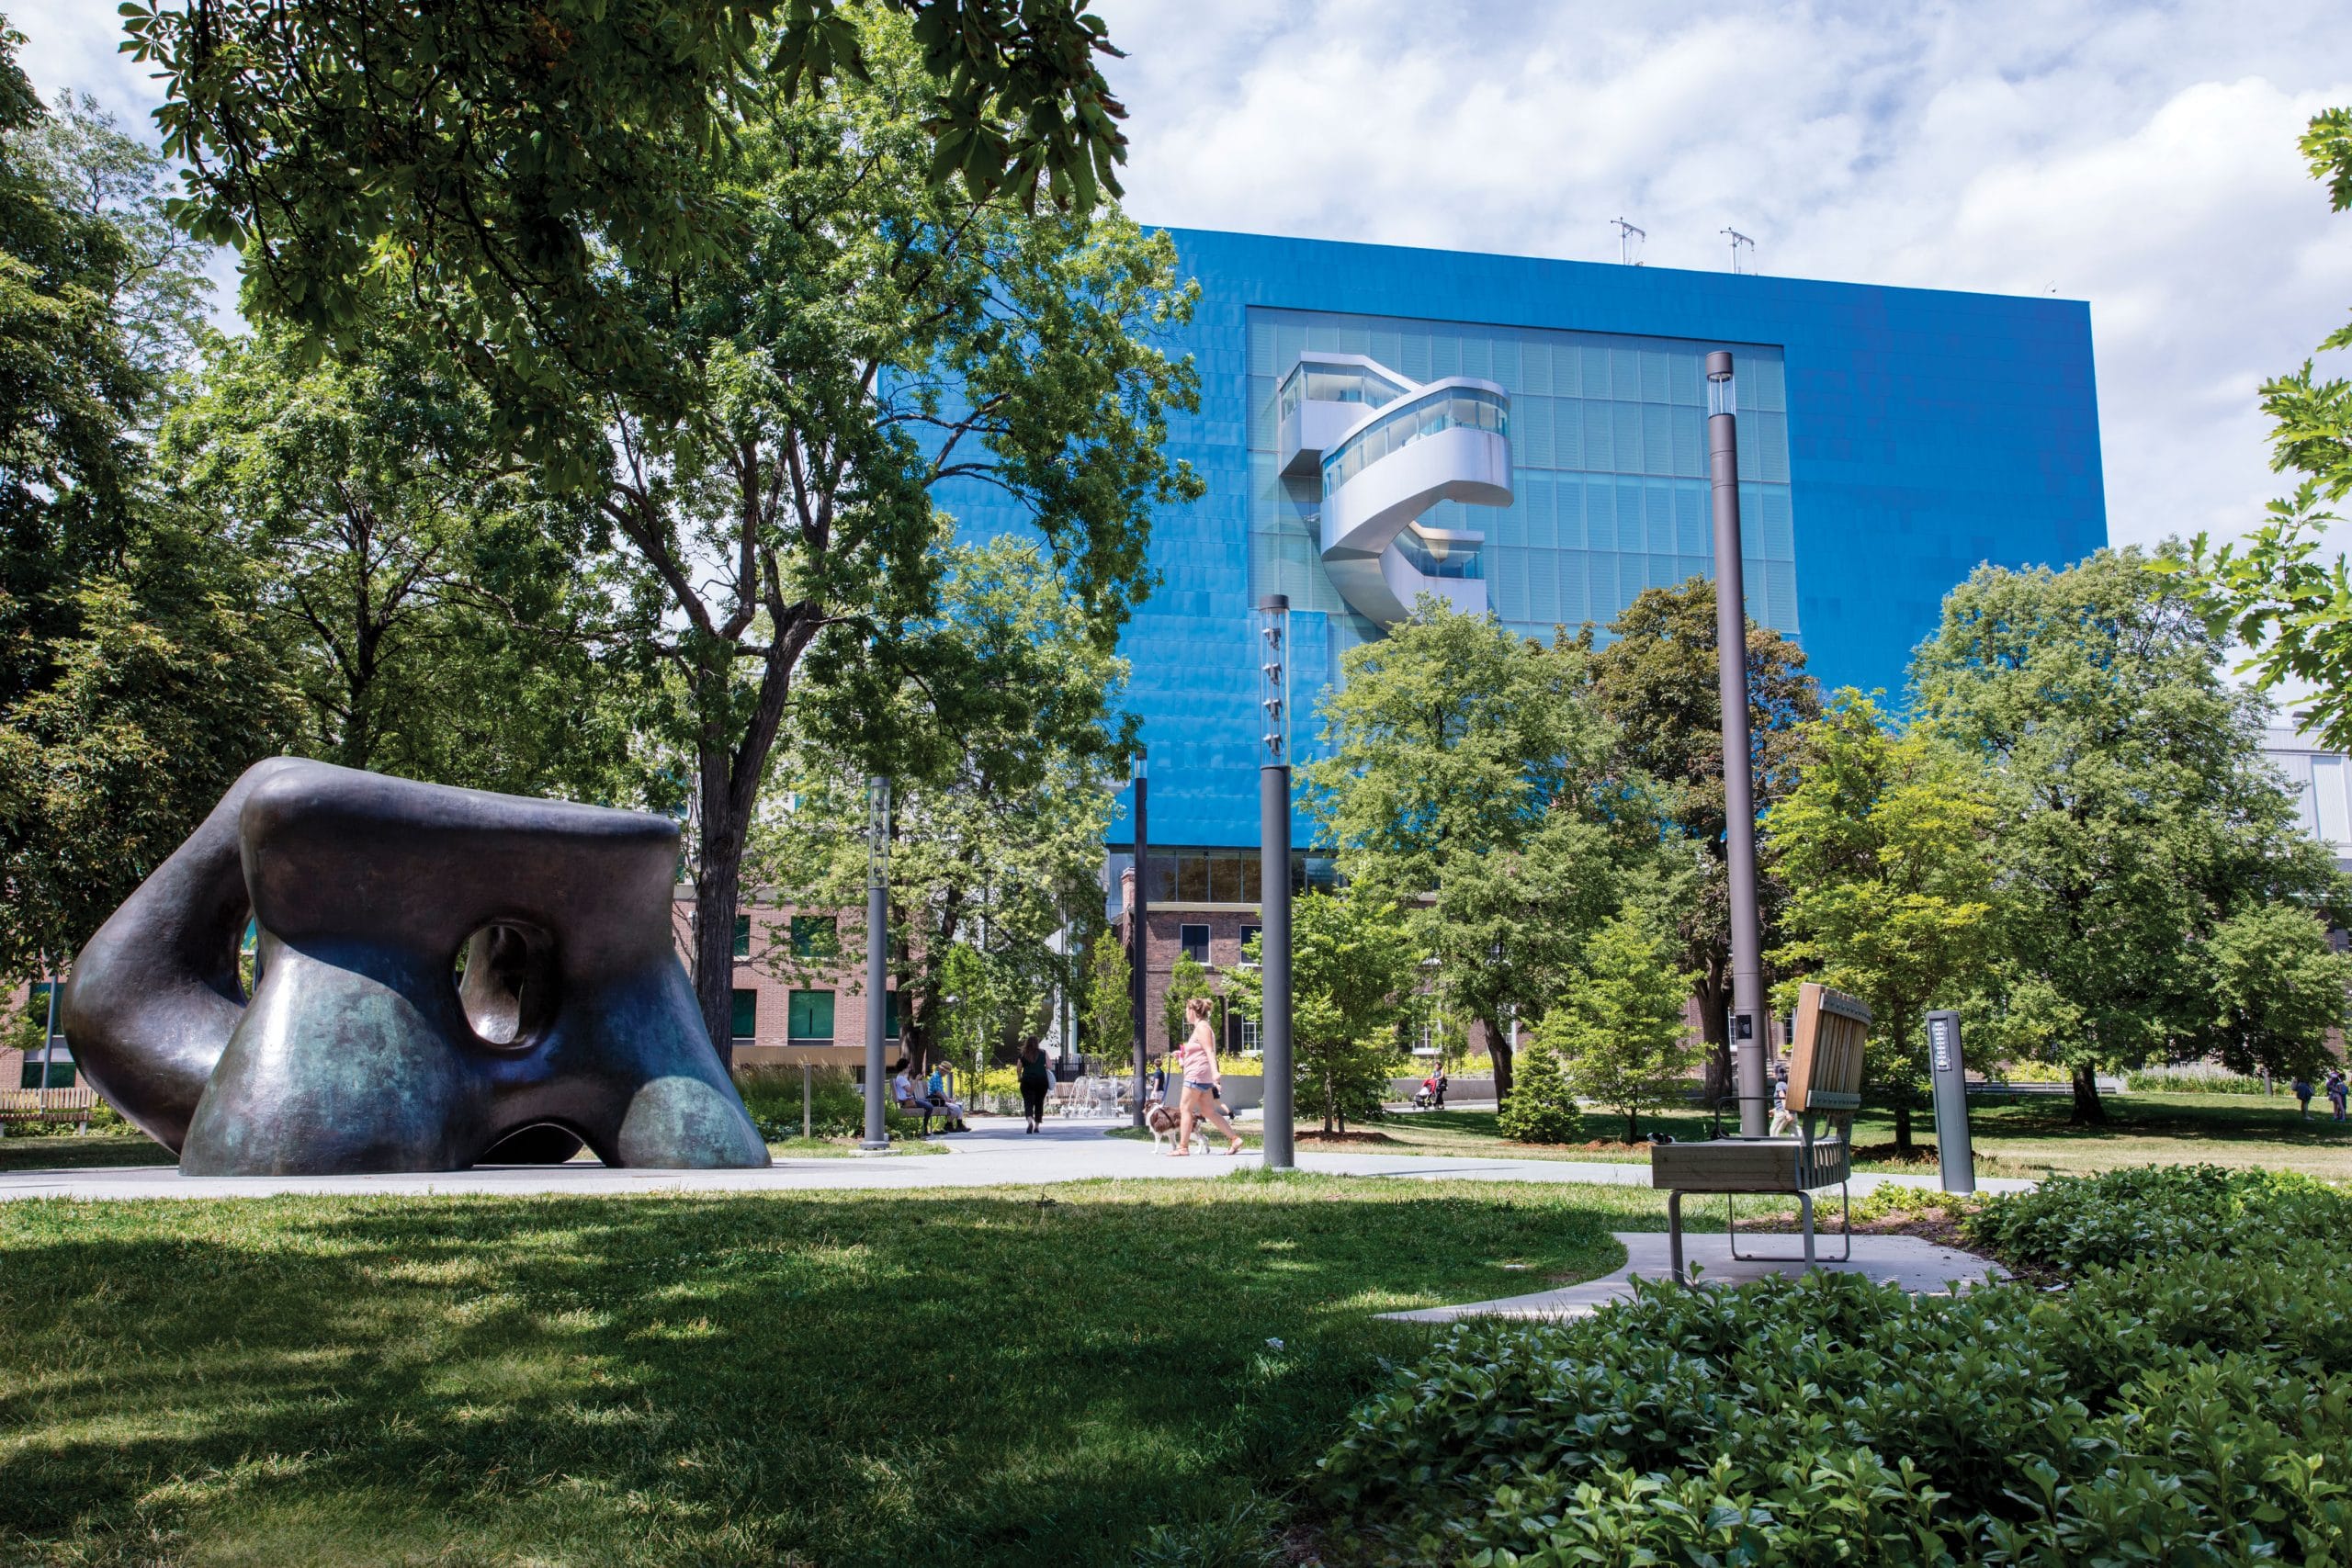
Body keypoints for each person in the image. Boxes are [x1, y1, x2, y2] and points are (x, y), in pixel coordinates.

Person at [1170, 997, 1244, 1156]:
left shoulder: (1202, 1028)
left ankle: (1183, 1147)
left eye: (1186, 1010)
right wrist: (1182, 1055)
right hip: (1202, 1076)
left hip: (1196, 1076)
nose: (1185, 1014)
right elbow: (1200, 1051)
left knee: (1185, 1109)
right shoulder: (1202, 1027)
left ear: (1192, 1011)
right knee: (1208, 1111)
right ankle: (1234, 1139)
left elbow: (1209, 1051)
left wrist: (1216, 1072)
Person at [1018, 1040, 1053, 1134]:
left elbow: (1019, 1067)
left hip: (1027, 1081)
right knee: (1039, 1102)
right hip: (1041, 1081)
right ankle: (1037, 1126)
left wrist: (1019, 1076)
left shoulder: (1023, 1053)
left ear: (1027, 1043)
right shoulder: (1043, 1052)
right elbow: (1049, 1066)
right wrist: (1042, 1066)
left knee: (1028, 1102)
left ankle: (1030, 1121)